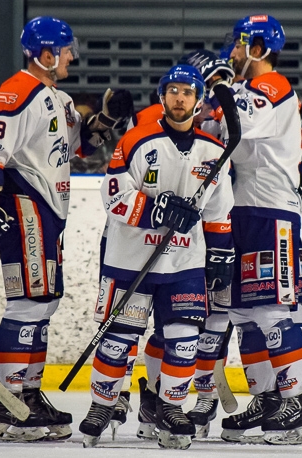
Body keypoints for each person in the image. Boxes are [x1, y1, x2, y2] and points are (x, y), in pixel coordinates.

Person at [0, 16, 133, 443]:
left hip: (47, 211)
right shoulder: (18, 90)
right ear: (45, 54)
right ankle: (9, 403)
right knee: (30, 302)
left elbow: (81, 145)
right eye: (66, 49)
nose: (72, 56)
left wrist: (108, 119)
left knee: (44, 302)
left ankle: (28, 395)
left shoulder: (57, 97)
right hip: (25, 205)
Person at [77, 64, 234, 450]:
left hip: (184, 262)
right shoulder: (135, 140)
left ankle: (171, 407)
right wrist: (157, 211)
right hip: (129, 258)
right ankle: (103, 404)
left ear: (199, 101)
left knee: (183, 339)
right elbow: (113, 195)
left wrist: (221, 255)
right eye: (173, 90)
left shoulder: (214, 151)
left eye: (188, 92)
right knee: (118, 338)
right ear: (162, 97)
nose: (180, 98)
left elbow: (218, 210)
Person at [214, 15, 302, 445]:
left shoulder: (273, 86)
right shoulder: (254, 91)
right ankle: (268, 399)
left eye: (239, 45)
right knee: (245, 314)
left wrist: (217, 86)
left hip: (271, 213)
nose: (232, 51)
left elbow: (238, 122)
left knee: (274, 311)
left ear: (259, 50)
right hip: (241, 211)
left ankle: (295, 403)